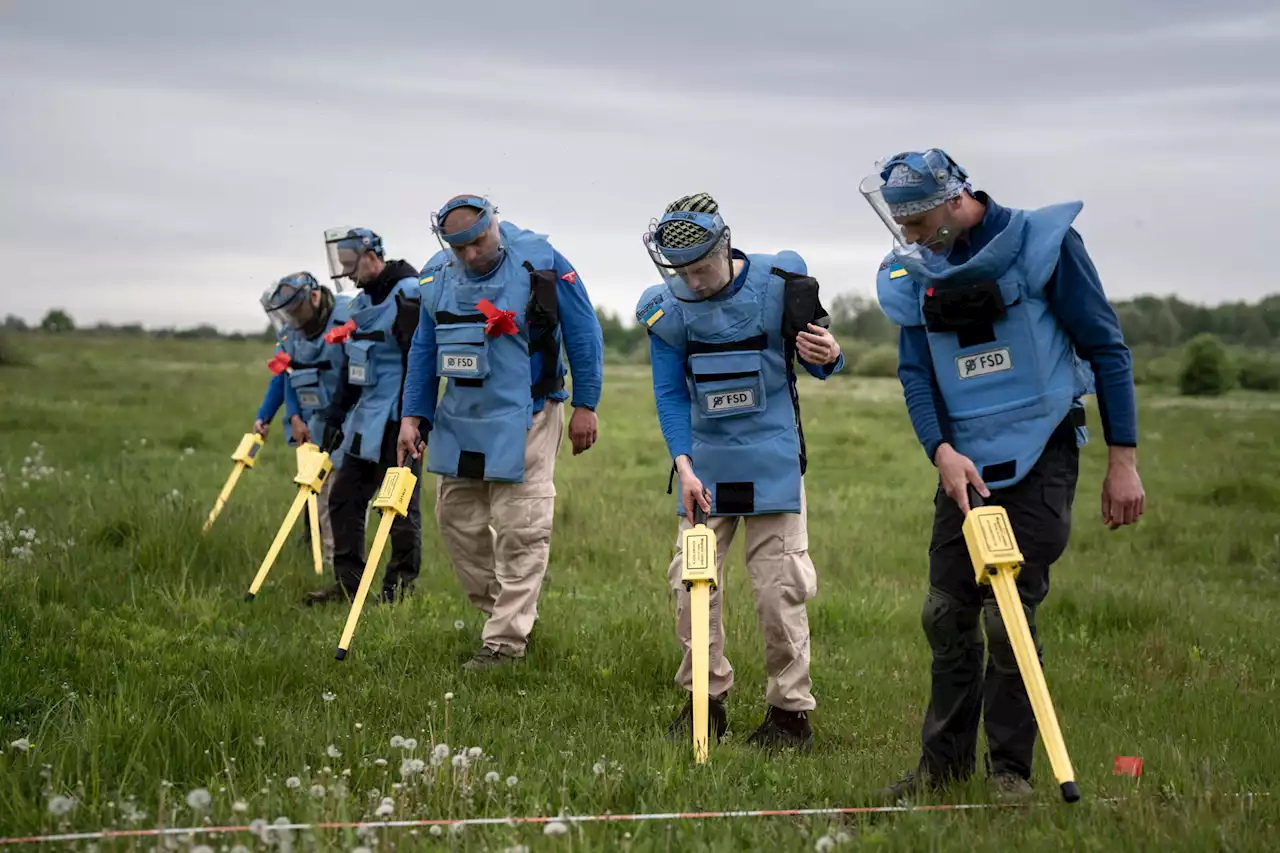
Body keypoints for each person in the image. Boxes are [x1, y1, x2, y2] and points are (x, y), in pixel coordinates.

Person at [861, 149, 1145, 800]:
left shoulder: (1045, 247)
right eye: (899, 223)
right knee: (945, 612)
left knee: (1009, 607)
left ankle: (1009, 774)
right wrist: (940, 450)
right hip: (963, 459)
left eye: (916, 220)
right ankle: (942, 770)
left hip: (1043, 445)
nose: (906, 235)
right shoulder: (916, 273)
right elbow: (916, 372)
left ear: (957, 200)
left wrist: (1122, 460)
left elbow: (1107, 347)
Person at [634, 192, 845, 752]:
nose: (694, 282)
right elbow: (668, 393)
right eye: (681, 271)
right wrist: (683, 465)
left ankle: (789, 713)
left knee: (779, 589)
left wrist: (830, 355)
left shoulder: (781, 284)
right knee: (692, 585)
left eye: (701, 268)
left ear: (725, 246)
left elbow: (821, 363)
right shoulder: (667, 308)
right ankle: (706, 699)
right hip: (704, 467)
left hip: (773, 460)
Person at [398, 195, 603, 672]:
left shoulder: (543, 265)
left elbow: (584, 334)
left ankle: (505, 643)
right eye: (459, 248)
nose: (471, 255)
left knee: (521, 526)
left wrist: (585, 405)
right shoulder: (434, 279)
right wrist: (413, 415)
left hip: (529, 411)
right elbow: (424, 348)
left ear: (495, 223)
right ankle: (506, 617)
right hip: (461, 419)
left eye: (478, 242)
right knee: (458, 523)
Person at [303, 227, 424, 606]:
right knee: (343, 499)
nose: (348, 274)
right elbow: (352, 367)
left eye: (351, 265)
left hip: (401, 420)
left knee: (400, 505)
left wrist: (413, 420)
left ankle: (398, 592)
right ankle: (348, 586)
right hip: (364, 420)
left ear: (373, 256)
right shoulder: (359, 305)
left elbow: (417, 363)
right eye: (343, 267)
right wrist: (335, 417)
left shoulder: (409, 293)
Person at [251, 272, 355, 569]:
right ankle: (327, 558)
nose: (292, 319)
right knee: (319, 492)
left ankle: (340, 561)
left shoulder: (347, 317)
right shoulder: (289, 336)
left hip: (350, 421)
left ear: (313, 298)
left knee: (338, 494)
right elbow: (286, 377)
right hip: (312, 426)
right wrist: (272, 416)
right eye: (286, 313)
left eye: (295, 310)